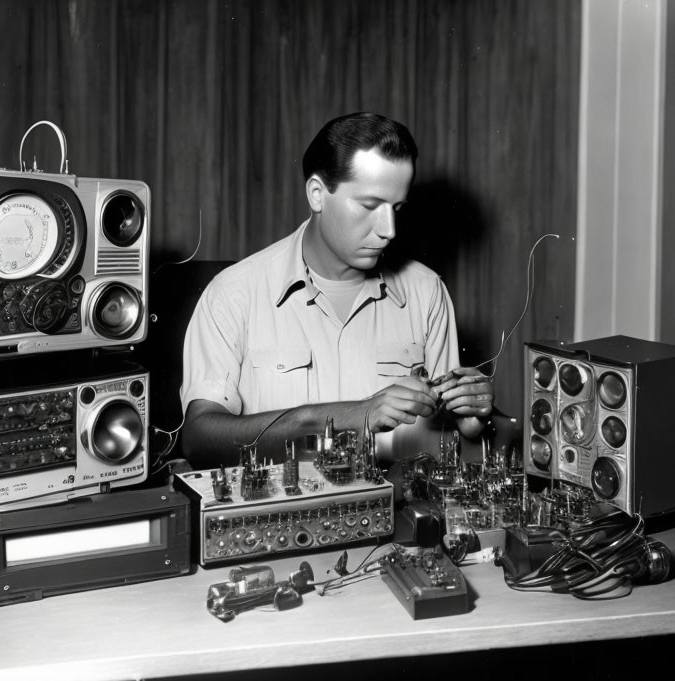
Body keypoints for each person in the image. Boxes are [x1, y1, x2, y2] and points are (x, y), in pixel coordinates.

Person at [180, 112, 493, 467]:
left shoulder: (427, 292)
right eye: (369, 206)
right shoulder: (234, 294)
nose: (388, 230)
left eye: (397, 208)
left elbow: (445, 444)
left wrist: (470, 422)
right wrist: (354, 416)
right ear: (317, 194)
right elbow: (200, 439)